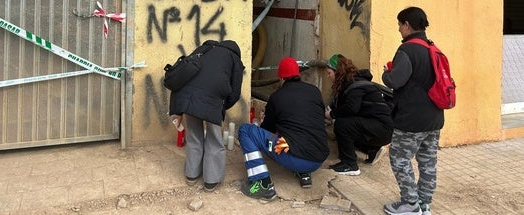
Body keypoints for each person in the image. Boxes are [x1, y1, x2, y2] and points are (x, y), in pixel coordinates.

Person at [238, 57, 330, 201]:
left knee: (245, 130)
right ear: (298, 74)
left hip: (297, 158)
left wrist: (261, 121)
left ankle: (261, 183)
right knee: (297, 134)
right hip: (318, 158)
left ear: (281, 78)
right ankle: (304, 174)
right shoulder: (314, 92)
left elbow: (268, 129)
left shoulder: (277, 97)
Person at [381, 7, 445, 215]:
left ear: (407, 25)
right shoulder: (431, 47)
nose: (399, 29)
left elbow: (395, 81)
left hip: (411, 119)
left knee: (399, 158)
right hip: (434, 117)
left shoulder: (407, 50)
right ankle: (424, 204)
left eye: (400, 24)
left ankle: (410, 203)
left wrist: (386, 74)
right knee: (428, 161)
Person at [168, 40, 244, 192]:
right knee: (214, 138)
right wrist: (222, 107)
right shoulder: (234, 58)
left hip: (188, 98)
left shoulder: (204, 49)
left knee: (194, 135)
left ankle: (191, 174)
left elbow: (185, 70)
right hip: (213, 101)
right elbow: (235, 93)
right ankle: (211, 180)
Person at [325, 54, 393, 176]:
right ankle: (372, 150)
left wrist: (332, 114)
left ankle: (350, 164)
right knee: (347, 125)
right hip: (381, 128)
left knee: (342, 125)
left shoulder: (355, 85)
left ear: (338, 72)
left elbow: (352, 108)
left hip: (380, 128)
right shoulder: (353, 82)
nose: (328, 76)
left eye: (329, 73)